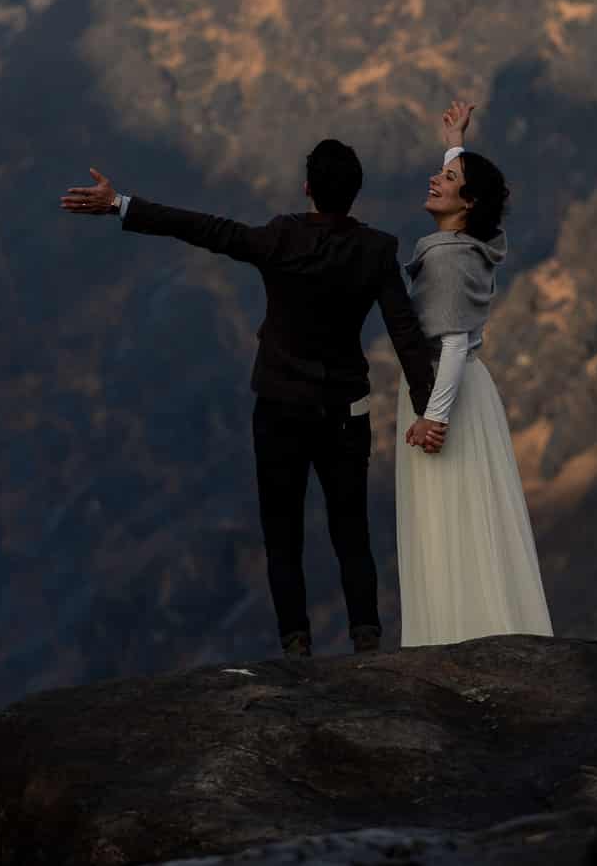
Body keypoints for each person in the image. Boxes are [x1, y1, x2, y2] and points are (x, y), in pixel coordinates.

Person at [58, 140, 437, 659]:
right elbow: (406, 336)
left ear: (307, 187)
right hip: (344, 413)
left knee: (282, 528)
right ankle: (366, 638)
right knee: (350, 526)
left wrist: (120, 203)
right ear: (355, 194)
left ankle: (296, 643)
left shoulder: (281, 238)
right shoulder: (376, 251)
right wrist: (430, 408)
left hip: (279, 408)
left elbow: (207, 229)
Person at [396, 100, 553, 646]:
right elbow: (480, 206)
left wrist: (432, 418)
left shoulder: (446, 258)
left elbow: (454, 342)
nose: (436, 179)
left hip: (445, 388)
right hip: (469, 389)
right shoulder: (477, 243)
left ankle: (454, 637)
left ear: (468, 202)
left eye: (448, 178)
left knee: (445, 517)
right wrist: (455, 142)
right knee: (474, 510)